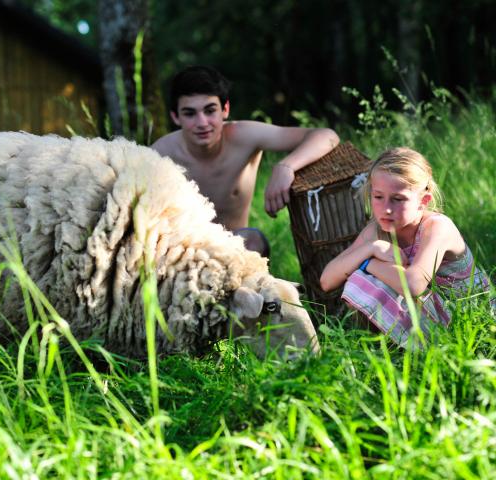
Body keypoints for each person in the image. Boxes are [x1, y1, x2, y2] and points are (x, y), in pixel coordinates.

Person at [151, 65, 339, 257]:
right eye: (190, 114)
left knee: (254, 240)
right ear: (175, 117)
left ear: (225, 109)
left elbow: (327, 136)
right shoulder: (160, 154)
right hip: (184, 253)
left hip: (236, 248)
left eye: (210, 111)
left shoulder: (244, 136)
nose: (202, 123)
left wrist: (286, 167)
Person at [320, 147, 492, 345]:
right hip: (436, 313)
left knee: (363, 275)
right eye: (378, 197)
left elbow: (413, 284)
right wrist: (372, 248)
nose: (386, 208)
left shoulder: (437, 226)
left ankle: (407, 348)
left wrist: (368, 264)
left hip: (474, 319)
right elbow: (327, 280)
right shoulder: (376, 231)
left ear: (423, 201)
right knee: (361, 279)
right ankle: (392, 347)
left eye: (398, 199)